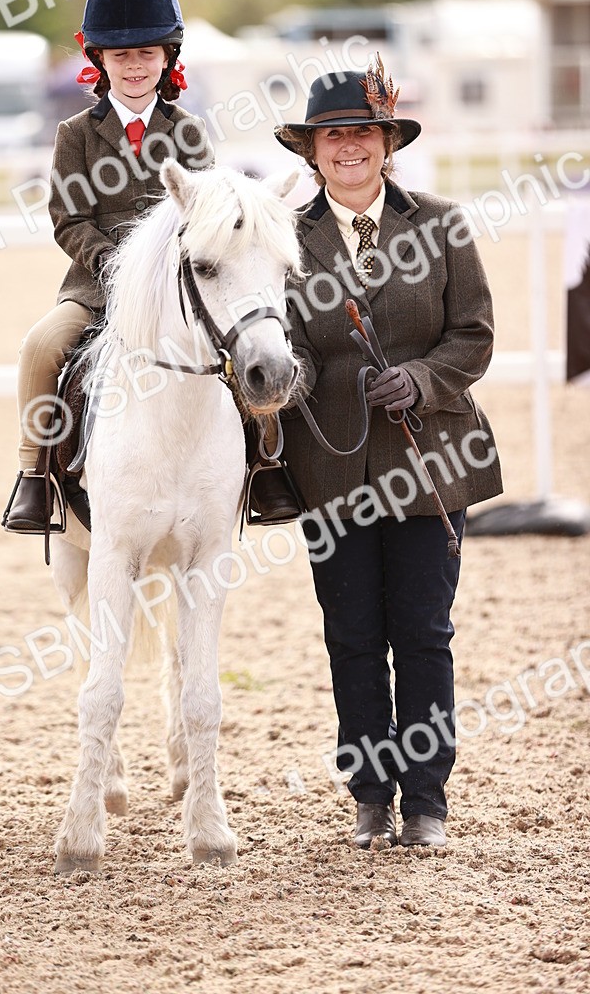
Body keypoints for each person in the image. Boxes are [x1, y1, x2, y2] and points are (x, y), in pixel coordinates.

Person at [274, 57, 503, 849]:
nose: (349, 147)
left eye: (362, 132)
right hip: (330, 468)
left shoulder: (441, 223)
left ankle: (428, 800)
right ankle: (371, 793)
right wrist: (292, 378)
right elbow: (285, 348)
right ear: (312, 150)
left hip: (430, 463)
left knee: (424, 630)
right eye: (333, 135)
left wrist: (422, 378)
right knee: (352, 635)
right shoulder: (287, 241)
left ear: (386, 141)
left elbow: (473, 333)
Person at [2, 0, 213, 532]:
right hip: (97, 285)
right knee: (41, 345)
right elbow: (67, 217)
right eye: (121, 56)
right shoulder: (75, 134)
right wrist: (113, 263)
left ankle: (268, 463)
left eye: (146, 53)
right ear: (100, 60)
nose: (135, 66)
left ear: (167, 57)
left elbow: (207, 215)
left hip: (178, 287)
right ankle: (35, 475)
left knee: (244, 347)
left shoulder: (189, 132)